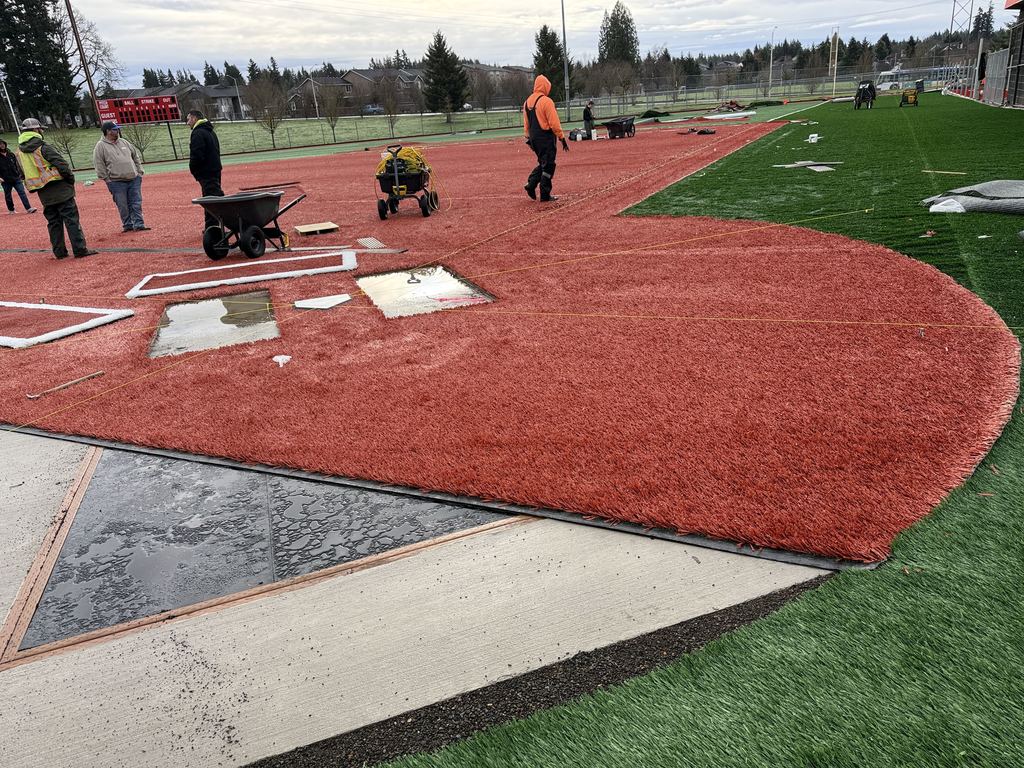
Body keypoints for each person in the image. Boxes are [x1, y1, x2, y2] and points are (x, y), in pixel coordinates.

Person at [16, 118, 96, 259]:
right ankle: (80, 249)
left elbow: (22, 173)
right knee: (71, 219)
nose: (41, 131)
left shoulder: (20, 152)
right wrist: (70, 180)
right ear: (35, 130)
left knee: (53, 222)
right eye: (40, 129)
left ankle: (59, 252)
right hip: (60, 188)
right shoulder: (43, 146)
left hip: (43, 192)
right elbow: (62, 165)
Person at [93, 121, 149, 232]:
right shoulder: (100, 146)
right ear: (108, 131)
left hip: (133, 179)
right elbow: (99, 164)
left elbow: (135, 156)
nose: (117, 131)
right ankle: (128, 225)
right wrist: (106, 179)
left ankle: (139, 224)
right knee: (123, 205)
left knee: (136, 203)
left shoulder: (124, 142)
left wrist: (139, 172)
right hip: (116, 181)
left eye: (117, 129)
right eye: (115, 129)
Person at [522, 74, 569, 202]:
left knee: (543, 163)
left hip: (533, 138)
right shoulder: (546, 101)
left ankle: (531, 184)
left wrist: (528, 139)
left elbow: (526, 124)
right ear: (545, 87)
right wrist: (562, 137)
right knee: (549, 165)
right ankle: (544, 194)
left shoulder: (527, 102)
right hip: (545, 137)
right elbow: (554, 123)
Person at [185, 109, 223, 230]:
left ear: (194, 118)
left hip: (206, 172)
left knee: (211, 199)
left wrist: (194, 170)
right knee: (212, 198)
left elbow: (197, 155)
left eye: (188, 119)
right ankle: (213, 225)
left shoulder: (198, 133)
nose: (187, 123)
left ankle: (213, 227)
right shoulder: (210, 131)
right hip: (215, 169)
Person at [0, 139, 37, 214]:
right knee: (8, 195)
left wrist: (20, 174)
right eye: (0, 144)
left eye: (3, 143)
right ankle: (11, 210)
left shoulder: (11, 154)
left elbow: (17, 165)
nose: (2, 145)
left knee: (22, 192)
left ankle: (28, 208)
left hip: (16, 178)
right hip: (5, 180)